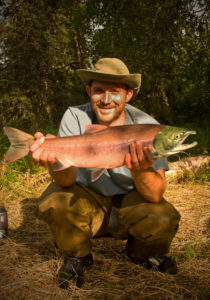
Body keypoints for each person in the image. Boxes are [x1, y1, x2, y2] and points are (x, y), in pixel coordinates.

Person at [30, 58, 180, 289]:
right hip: (87, 197)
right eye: (99, 91)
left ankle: (142, 254)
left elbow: (155, 195)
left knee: (163, 216)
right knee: (56, 199)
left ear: (128, 95)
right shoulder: (74, 116)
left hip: (131, 202)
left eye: (115, 92)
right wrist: (52, 160)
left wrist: (140, 169)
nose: (107, 99)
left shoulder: (148, 126)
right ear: (89, 91)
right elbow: (66, 181)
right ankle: (78, 256)